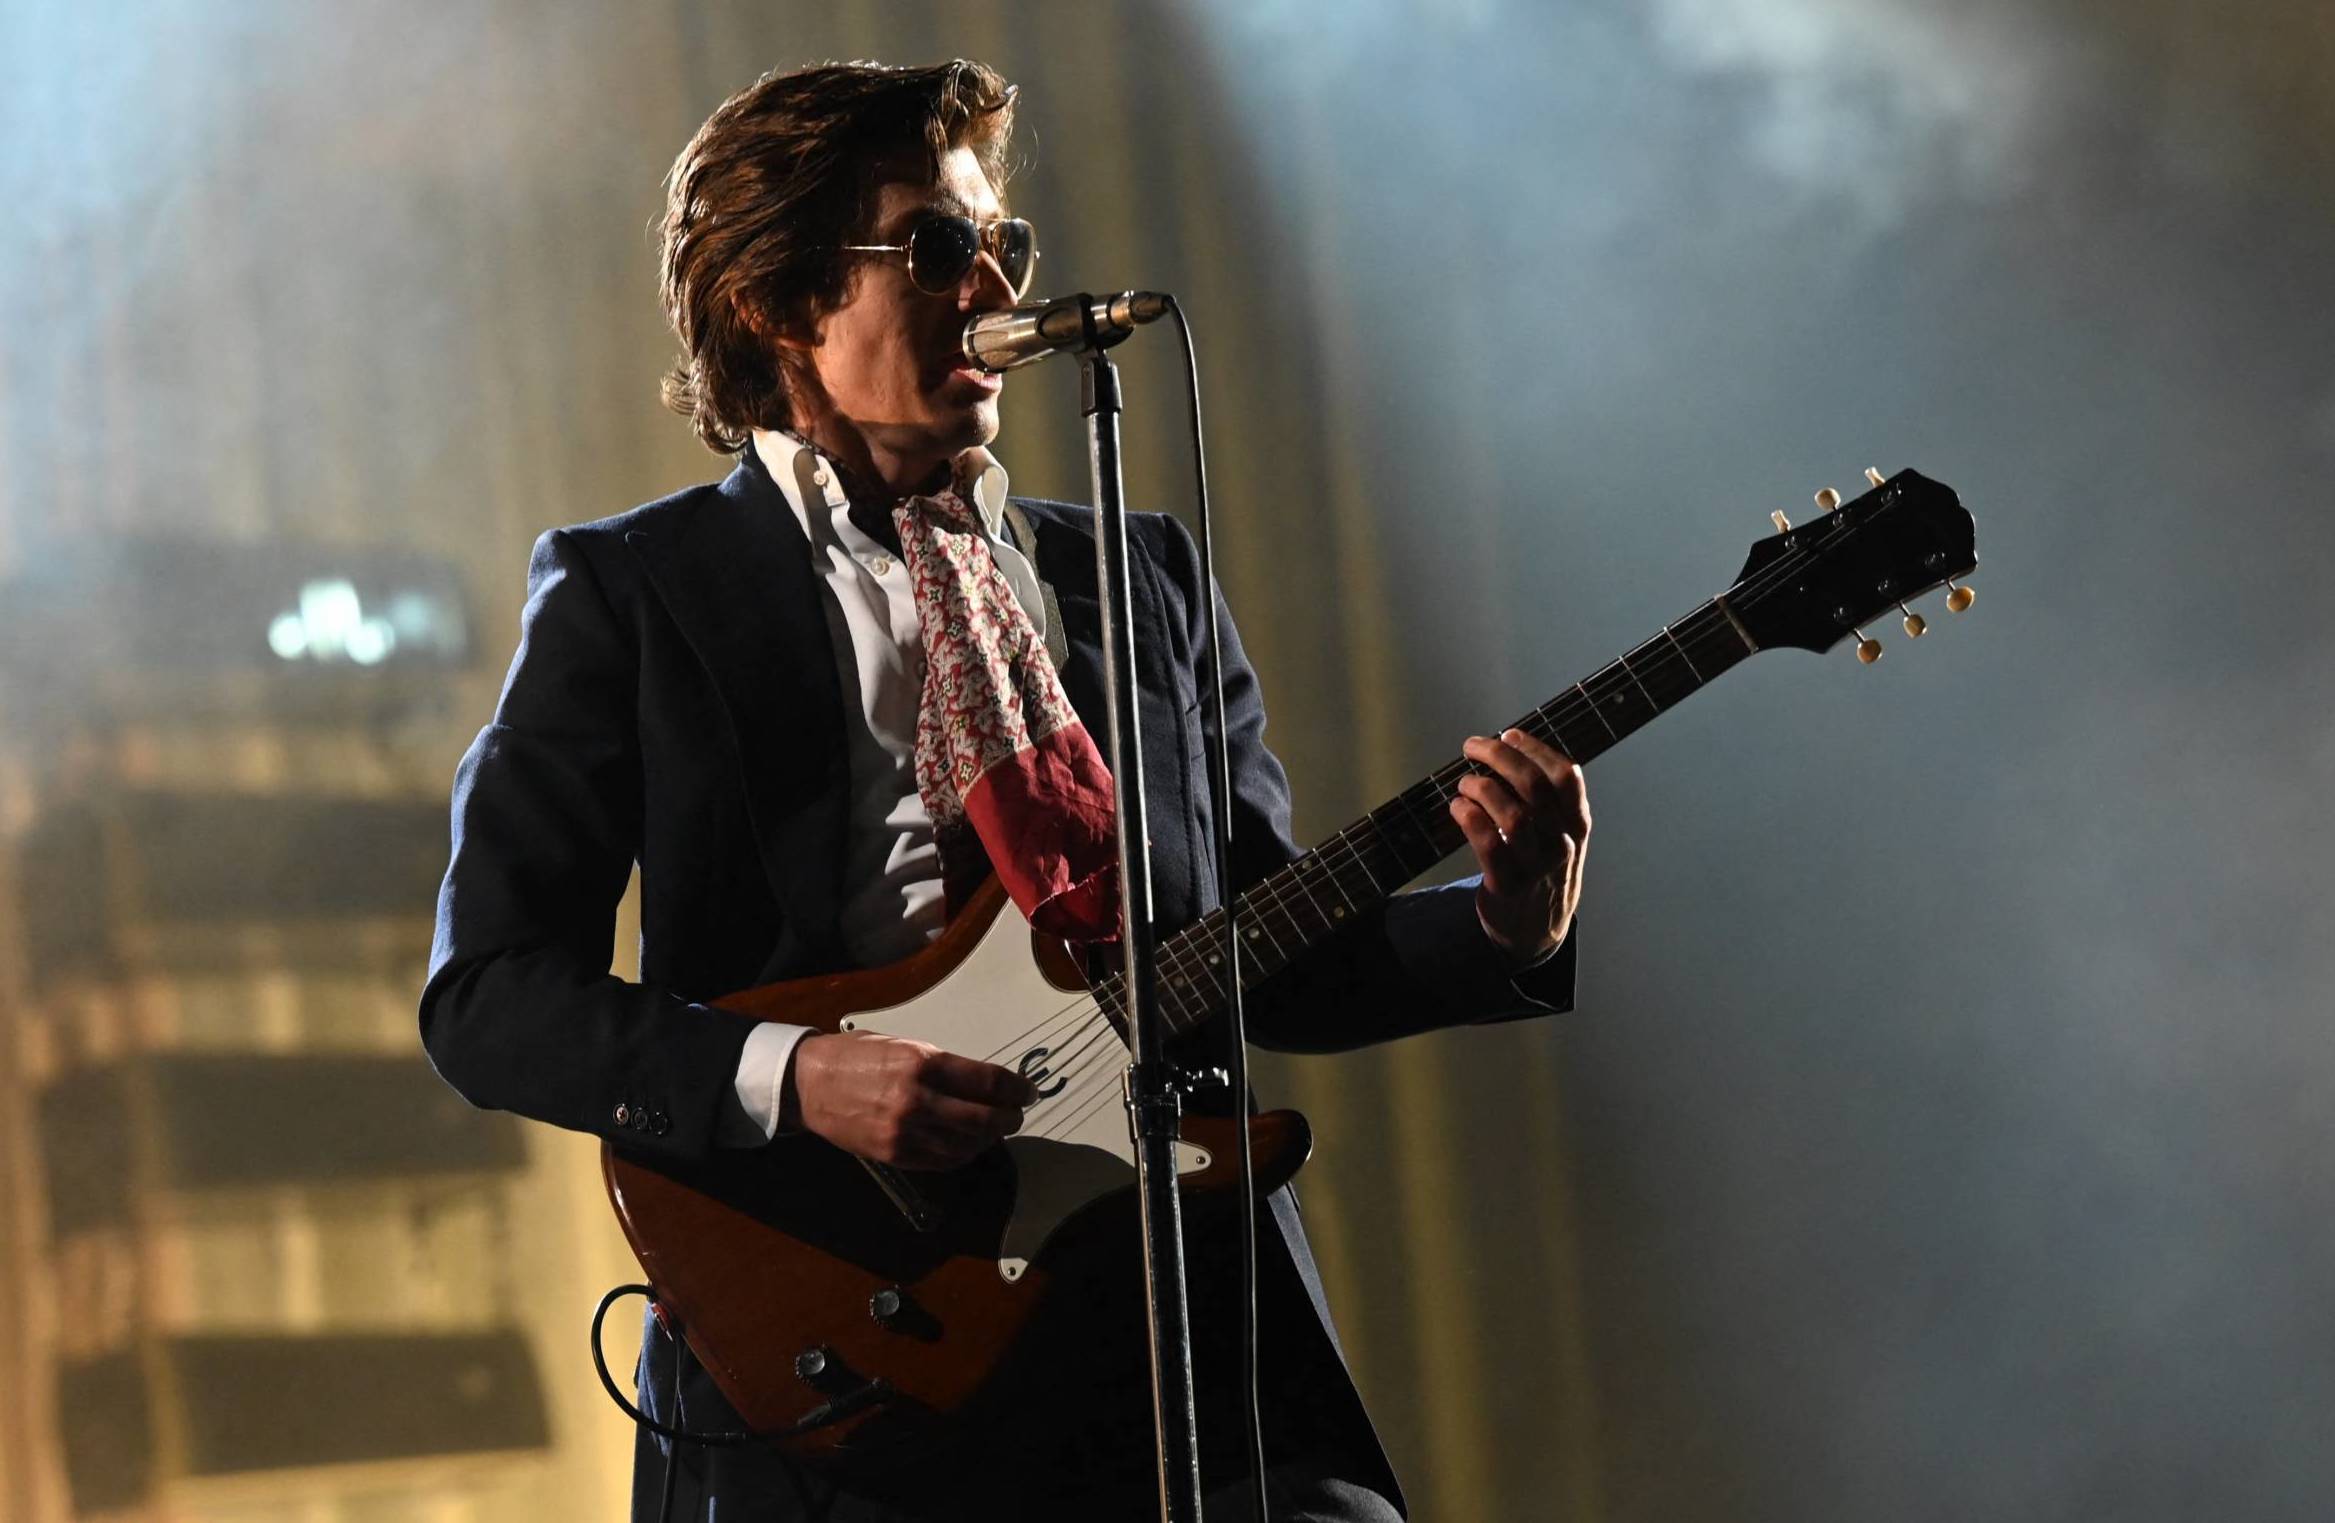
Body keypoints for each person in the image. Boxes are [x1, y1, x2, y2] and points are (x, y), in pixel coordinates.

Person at [420, 58, 1590, 1522]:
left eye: (1001, 247)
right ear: (778, 302)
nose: (990, 282)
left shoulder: (1137, 576)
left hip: (1170, 1307)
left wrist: (1507, 927)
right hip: (851, 1341)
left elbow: (1258, 955)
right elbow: (489, 1000)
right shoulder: (637, 591)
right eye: (931, 248)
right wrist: (801, 1078)